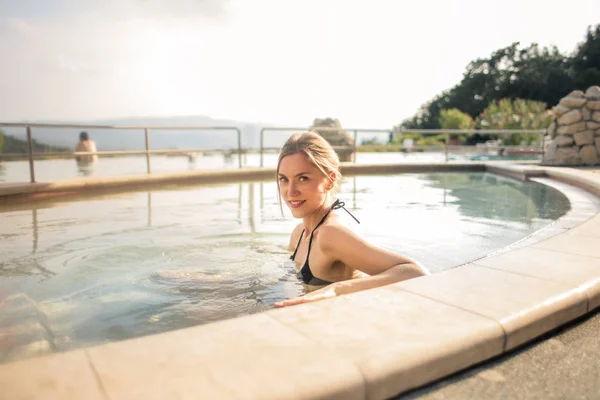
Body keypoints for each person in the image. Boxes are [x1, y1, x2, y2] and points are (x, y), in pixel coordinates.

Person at [274, 131, 429, 308]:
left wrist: (338, 289)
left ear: (330, 181)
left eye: (303, 178)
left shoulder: (330, 234)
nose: (290, 191)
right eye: (284, 179)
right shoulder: (299, 233)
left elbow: (416, 272)